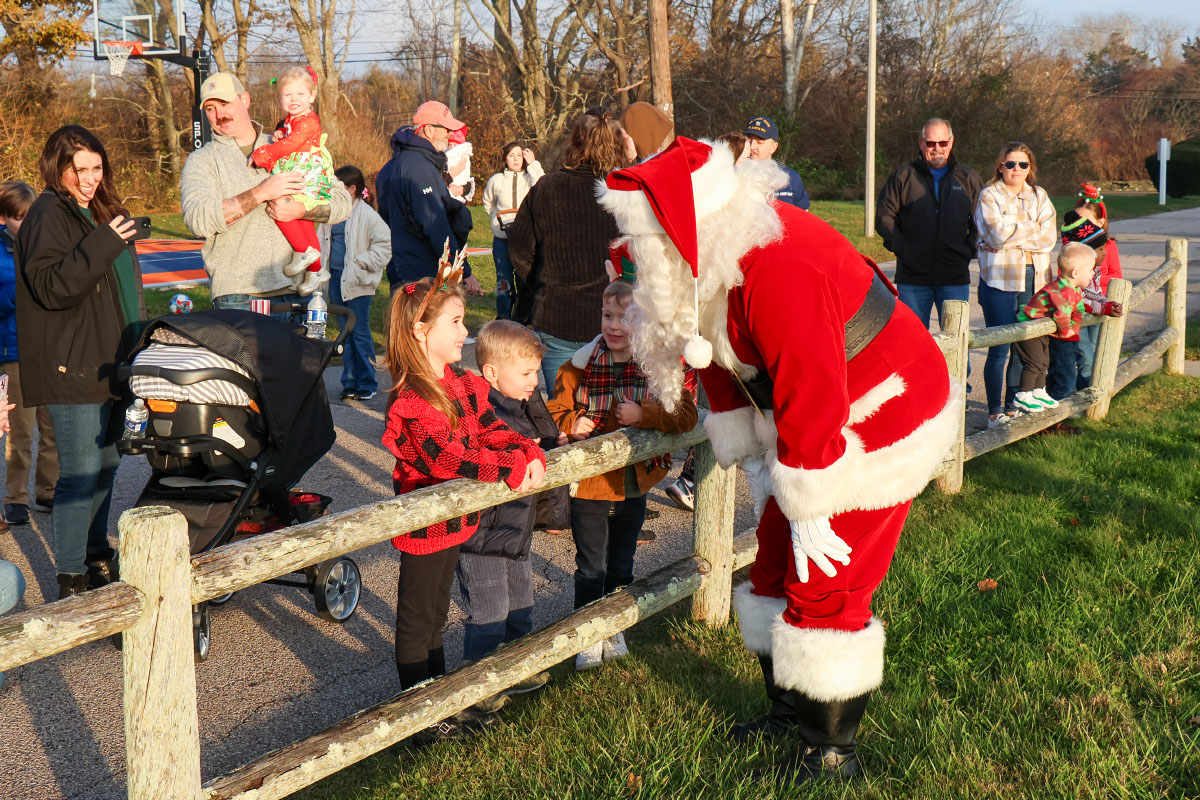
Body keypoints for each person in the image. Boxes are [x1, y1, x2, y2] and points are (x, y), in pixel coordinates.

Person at [597, 138, 958, 781]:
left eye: (642, 242)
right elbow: (710, 348)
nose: (634, 256)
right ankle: (791, 711)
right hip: (814, 416)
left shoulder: (776, 264)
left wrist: (811, 500)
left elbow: (812, 383)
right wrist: (753, 447)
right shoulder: (712, 259)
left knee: (825, 575)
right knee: (771, 563)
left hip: (882, 405)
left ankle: (831, 753)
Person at [382, 266, 546, 740]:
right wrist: (507, 467)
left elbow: (489, 428)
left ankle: (439, 706)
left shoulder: (458, 382)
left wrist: (526, 449)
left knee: (437, 617)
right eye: (455, 322)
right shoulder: (415, 396)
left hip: (456, 521)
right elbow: (446, 457)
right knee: (419, 621)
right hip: (425, 525)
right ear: (421, 330)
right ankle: (420, 720)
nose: (465, 332)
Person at [15, 125, 147, 599]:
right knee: (79, 474)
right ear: (58, 168)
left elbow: (123, 288)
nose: (90, 179)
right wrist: (104, 241)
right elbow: (53, 287)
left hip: (115, 362)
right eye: (80, 170)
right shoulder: (48, 213)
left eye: (97, 168)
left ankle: (93, 555)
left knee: (108, 464)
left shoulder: (103, 210)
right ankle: (70, 578)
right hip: (72, 366)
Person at [545, 279, 697, 671]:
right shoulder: (579, 365)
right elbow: (554, 409)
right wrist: (571, 421)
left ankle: (614, 628)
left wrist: (644, 414)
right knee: (590, 565)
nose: (614, 325)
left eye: (625, 318)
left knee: (621, 563)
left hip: (634, 481)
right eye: (607, 315)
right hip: (590, 484)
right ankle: (587, 634)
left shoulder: (657, 368)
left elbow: (685, 415)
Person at [457, 320, 568, 710]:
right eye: (525, 373)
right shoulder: (481, 410)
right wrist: (515, 452)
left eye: (536, 372)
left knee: (521, 602)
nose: (534, 381)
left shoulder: (527, 404)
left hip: (516, 527)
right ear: (491, 372)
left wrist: (556, 442)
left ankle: (517, 667)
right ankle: (479, 685)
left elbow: (543, 446)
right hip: (483, 535)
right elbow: (476, 453)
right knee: (489, 611)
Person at [181, 72, 351, 321]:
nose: (219, 115)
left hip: (299, 294)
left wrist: (302, 210)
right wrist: (261, 192)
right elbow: (198, 221)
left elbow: (342, 202)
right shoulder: (202, 161)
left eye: (225, 103)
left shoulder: (289, 143)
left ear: (245, 100)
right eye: (210, 109)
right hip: (241, 296)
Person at [508, 107, 632, 390]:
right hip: (614, 316)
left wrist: (542, 286)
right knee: (611, 411)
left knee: (565, 411)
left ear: (575, 141)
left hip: (561, 314)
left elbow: (519, 249)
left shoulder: (546, 187)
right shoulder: (626, 193)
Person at [973, 141, 1057, 429]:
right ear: (1000, 166)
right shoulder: (989, 196)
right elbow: (996, 235)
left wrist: (1009, 237)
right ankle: (994, 412)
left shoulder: (1040, 195)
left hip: (1035, 277)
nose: (1016, 169)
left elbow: (1049, 239)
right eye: (1010, 164)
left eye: (1023, 164)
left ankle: (1013, 406)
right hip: (999, 280)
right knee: (999, 347)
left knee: (1025, 345)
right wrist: (1032, 225)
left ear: (1030, 167)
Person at [875, 118, 982, 328]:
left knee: (956, 340)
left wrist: (967, 250)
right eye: (931, 143)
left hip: (954, 276)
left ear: (951, 142)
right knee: (912, 340)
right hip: (912, 277)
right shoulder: (904, 176)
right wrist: (903, 249)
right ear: (921, 143)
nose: (937, 148)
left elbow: (982, 220)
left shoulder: (967, 177)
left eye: (943, 143)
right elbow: (884, 216)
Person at [376, 101, 482, 296]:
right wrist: (461, 269)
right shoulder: (419, 168)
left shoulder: (401, 163)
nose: (450, 134)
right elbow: (435, 224)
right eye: (446, 129)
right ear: (429, 130)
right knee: (424, 316)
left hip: (403, 266)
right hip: (422, 273)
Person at [250, 66, 338, 296]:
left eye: (300, 94)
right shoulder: (293, 120)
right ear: (280, 98)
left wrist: (263, 153)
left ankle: (303, 250)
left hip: (305, 172)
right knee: (304, 220)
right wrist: (281, 131)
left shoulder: (308, 121)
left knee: (280, 206)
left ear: (311, 96)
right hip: (303, 170)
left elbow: (291, 144)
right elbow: (289, 136)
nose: (294, 99)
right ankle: (316, 271)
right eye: (288, 95)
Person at [0, 181, 57, 527]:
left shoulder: (46, 246)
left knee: (51, 427)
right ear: (3, 218)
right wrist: (25, 290)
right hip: (15, 351)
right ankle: (15, 498)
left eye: (29, 216)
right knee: (20, 432)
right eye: (18, 217)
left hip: (47, 350)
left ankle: (47, 491)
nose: (25, 223)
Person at [1011, 243, 1115, 413]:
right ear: (1075, 273)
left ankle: (1038, 391)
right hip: (1028, 326)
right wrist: (1067, 331)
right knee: (1034, 363)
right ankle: (1023, 394)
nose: (1093, 273)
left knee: (1043, 362)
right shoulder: (1062, 291)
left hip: (1041, 330)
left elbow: (1079, 309)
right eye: (1090, 269)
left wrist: (1075, 327)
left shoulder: (1075, 290)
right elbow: (1061, 315)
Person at [318, 165, 390, 402]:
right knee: (345, 334)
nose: (332, 191)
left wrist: (360, 263)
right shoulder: (331, 213)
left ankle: (367, 383)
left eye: (337, 187)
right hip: (336, 279)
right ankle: (349, 382)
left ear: (351, 189)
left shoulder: (367, 215)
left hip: (358, 283)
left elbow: (384, 247)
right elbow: (322, 242)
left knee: (359, 333)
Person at [1048, 185, 1123, 398]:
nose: (1103, 253)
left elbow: (1095, 291)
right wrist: (1104, 306)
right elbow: (1080, 298)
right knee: (1083, 360)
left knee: (1093, 355)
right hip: (1071, 322)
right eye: (1099, 249)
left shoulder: (1095, 264)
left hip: (1091, 314)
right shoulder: (1073, 270)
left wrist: (1106, 304)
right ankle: (1083, 398)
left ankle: (1088, 397)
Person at [481, 142, 543, 320]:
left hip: (525, 238)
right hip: (502, 238)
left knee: (526, 278)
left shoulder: (530, 178)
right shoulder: (496, 180)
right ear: (505, 159)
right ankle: (503, 316)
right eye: (511, 155)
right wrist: (495, 219)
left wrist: (533, 164)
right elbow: (488, 203)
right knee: (504, 280)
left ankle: (525, 317)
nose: (516, 159)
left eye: (519, 155)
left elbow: (543, 186)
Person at [743, 115, 810, 209]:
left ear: (773, 147)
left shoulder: (791, 179)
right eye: (748, 140)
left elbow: (803, 215)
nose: (752, 147)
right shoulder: (732, 175)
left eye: (759, 142)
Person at [444, 126, 475, 203]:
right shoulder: (444, 154)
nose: (452, 147)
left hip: (459, 183)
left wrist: (463, 188)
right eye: (450, 145)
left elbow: (466, 172)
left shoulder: (463, 156)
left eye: (455, 145)